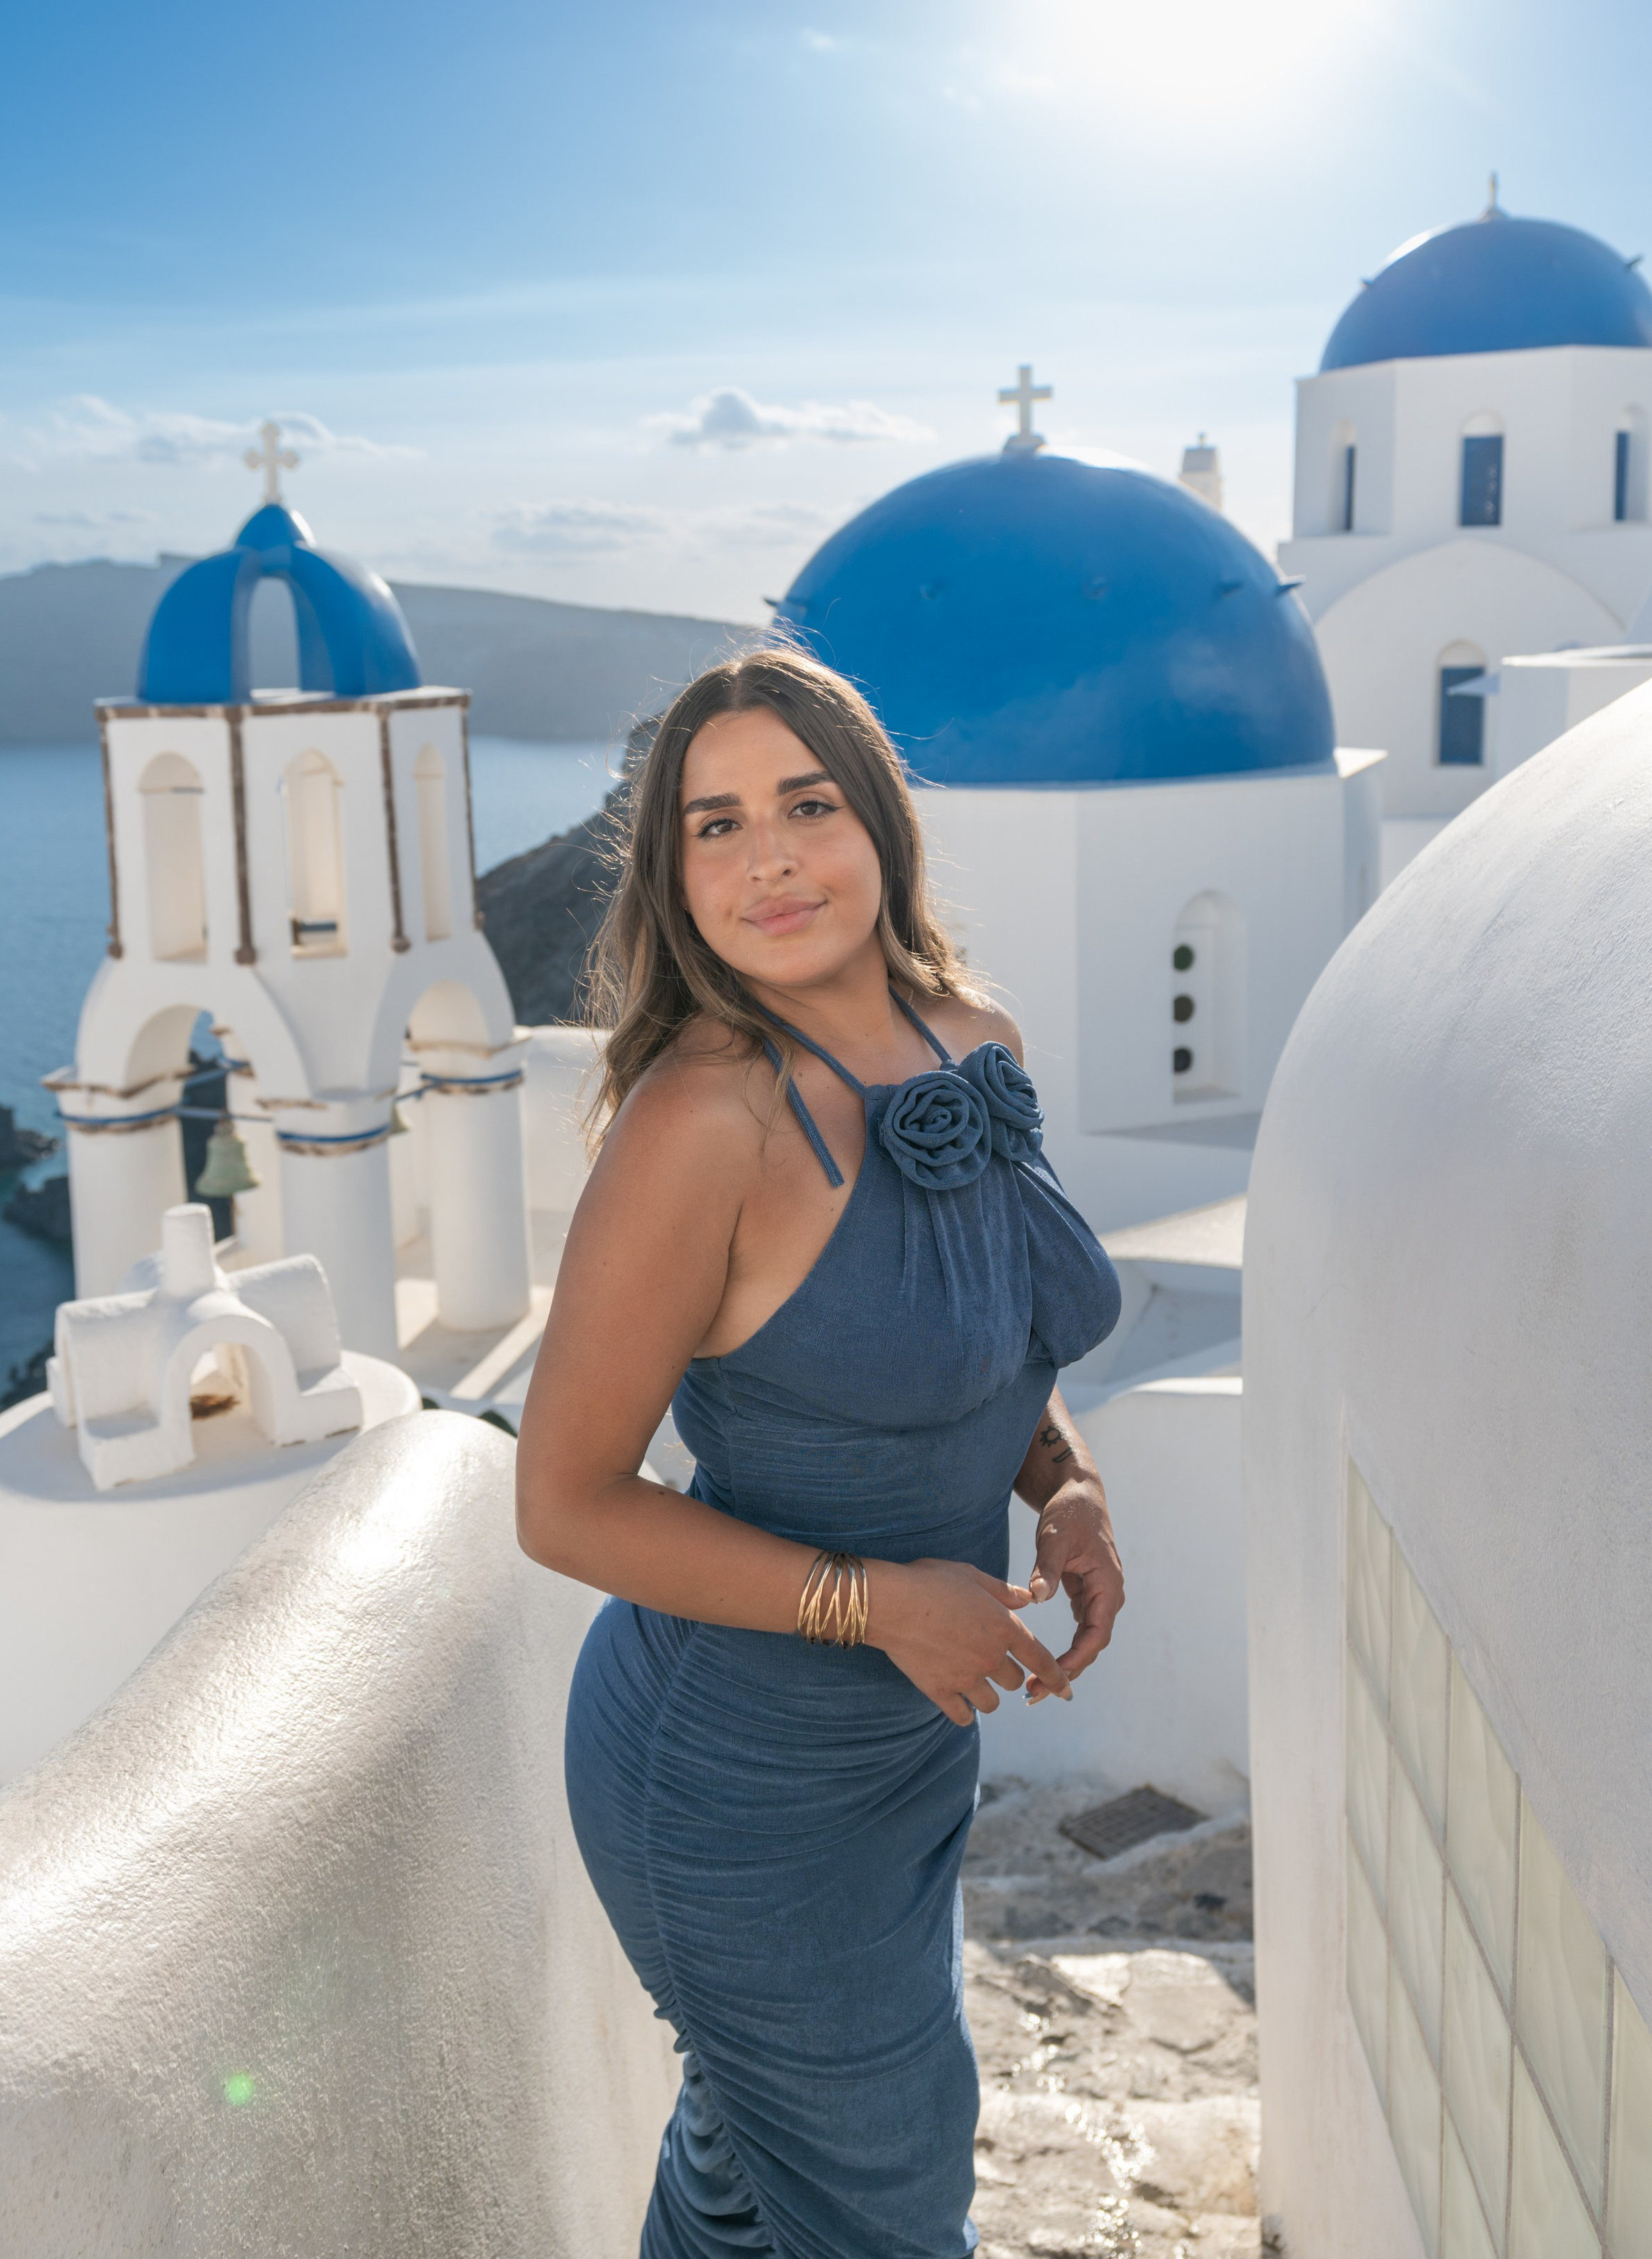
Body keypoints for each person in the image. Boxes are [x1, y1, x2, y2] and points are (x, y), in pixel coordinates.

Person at [515, 649, 1125, 2258]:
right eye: (713, 826)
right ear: (672, 875)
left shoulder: (967, 1038)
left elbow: (989, 1328)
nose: (769, 857)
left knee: (750, 2160)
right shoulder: (702, 1122)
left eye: (804, 803)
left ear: (879, 820)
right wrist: (880, 1605)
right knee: (887, 2184)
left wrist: (1059, 1482)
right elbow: (559, 1502)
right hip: (728, 1778)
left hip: (903, 1743)